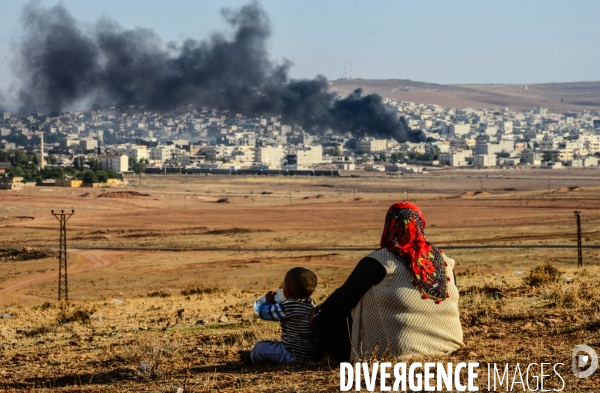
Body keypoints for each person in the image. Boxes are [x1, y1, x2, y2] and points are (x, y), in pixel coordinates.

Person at [312, 202, 463, 362]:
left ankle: (320, 357)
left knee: (328, 315)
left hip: (396, 353)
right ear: (421, 225)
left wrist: (318, 313)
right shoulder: (445, 261)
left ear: (388, 226)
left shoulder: (380, 261)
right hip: (450, 347)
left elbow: (342, 300)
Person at [240, 267, 323, 365]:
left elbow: (264, 313)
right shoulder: (313, 306)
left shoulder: (288, 306)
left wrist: (268, 302)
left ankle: (250, 357)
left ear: (287, 292)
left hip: (293, 355)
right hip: (315, 356)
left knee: (260, 348)